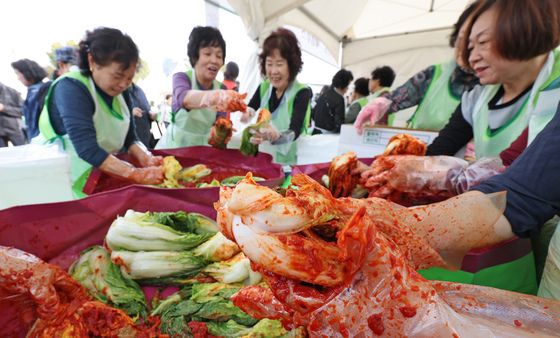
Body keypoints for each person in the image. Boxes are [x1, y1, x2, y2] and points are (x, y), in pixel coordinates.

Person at [359, 0, 560, 295]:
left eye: (482, 43)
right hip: (482, 220)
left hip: (526, 232)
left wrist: (432, 181)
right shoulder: (478, 97)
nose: (471, 56)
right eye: (468, 47)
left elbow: (522, 180)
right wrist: (392, 170)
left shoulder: (552, 89)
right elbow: (441, 148)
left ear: (521, 28)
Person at [38, 27, 164, 197]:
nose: (123, 84)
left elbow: (130, 138)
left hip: (99, 177)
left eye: (129, 78)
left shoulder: (121, 92)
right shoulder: (70, 87)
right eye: (117, 76)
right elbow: (87, 149)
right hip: (65, 179)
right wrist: (137, 174)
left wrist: (146, 157)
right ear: (92, 62)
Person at [355, 1, 479, 133]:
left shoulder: (491, 85)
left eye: (479, 41)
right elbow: (399, 97)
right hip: (420, 147)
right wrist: (380, 105)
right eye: (461, 38)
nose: (465, 48)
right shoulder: (434, 74)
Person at [156, 26, 248, 149]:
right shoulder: (182, 78)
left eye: (219, 56)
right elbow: (184, 99)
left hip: (202, 154)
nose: (214, 60)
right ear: (195, 57)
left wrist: (223, 132)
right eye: (208, 53)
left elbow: (219, 124)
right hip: (173, 150)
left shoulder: (221, 87)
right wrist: (216, 96)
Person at [246, 27, 313, 165]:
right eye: (269, 64)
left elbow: (295, 130)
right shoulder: (264, 87)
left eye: (280, 64)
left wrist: (276, 136)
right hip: (264, 160)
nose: (273, 71)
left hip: (289, 164)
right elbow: (250, 109)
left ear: (292, 65)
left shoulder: (301, 92)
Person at [11, 59, 48, 140]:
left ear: (27, 73)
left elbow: (34, 124)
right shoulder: (37, 90)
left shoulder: (35, 93)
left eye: (18, 73)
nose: (18, 78)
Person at [312, 69, 353, 134]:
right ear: (342, 84)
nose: (347, 89)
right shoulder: (339, 99)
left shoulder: (324, 93)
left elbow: (313, 113)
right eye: (347, 85)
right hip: (328, 136)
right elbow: (339, 124)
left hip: (315, 131)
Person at [129, 82, 157, 148]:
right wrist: (129, 113)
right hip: (128, 146)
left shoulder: (139, 90)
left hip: (145, 141)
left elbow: (147, 108)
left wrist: (151, 115)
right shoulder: (116, 91)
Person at [0, 82, 25, 147]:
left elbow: (23, 111)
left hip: (15, 130)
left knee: (23, 152)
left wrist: (4, 108)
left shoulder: (12, 92)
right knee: (3, 156)